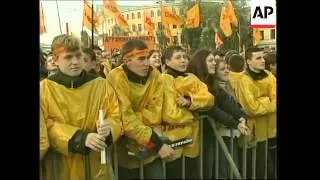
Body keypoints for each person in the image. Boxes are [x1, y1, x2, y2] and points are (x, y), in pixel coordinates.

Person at [40, 34, 123, 180]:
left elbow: (115, 115)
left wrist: (109, 128)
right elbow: (45, 126)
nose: (75, 62)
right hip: (60, 168)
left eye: (79, 56)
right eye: (68, 57)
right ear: (55, 59)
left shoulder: (100, 84)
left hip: (98, 167)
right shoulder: (44, 89)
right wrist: (79, 138)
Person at [106, 39, 175, 179]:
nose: (146, 63)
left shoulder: (155, 75)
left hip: (151, 148)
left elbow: (156, 113)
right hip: (125, 153)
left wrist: (134, 118)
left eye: (147, 58)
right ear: (126, 60)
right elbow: (125, 117)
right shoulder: (116, 77)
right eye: (141, 59)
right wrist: (156, 143)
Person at [188, 49, 249, 179]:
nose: (214, 64)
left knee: (209, 171)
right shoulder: (192, 81)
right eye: (211, 61)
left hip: (208, 134)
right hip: (196, 135)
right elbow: (211, 108)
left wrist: (241, 116)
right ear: (201, 63)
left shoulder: (211, 83)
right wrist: (235, 123)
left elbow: (227, 102)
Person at [161, 46, 214, 179]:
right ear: (167, 62)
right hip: (173, 139)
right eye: (178, 57)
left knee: (191, 172)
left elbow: (209, 99)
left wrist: (190, 101)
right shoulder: (164, 79)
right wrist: (193, 114)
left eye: (185, 57)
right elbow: (170, 113)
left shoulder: (192, 77)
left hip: (192, 140)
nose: (183, 60)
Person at [235, 47, 276, 179]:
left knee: (270, 169)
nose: (263, 60)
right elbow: (252, 108)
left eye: (263, 57)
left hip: (272, 130)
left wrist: (262, 101)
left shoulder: (269, 75)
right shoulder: (244, 80)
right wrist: (268, 100)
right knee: (257, 169)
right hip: (254, 132)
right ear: (248, 61)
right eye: (258, 58)